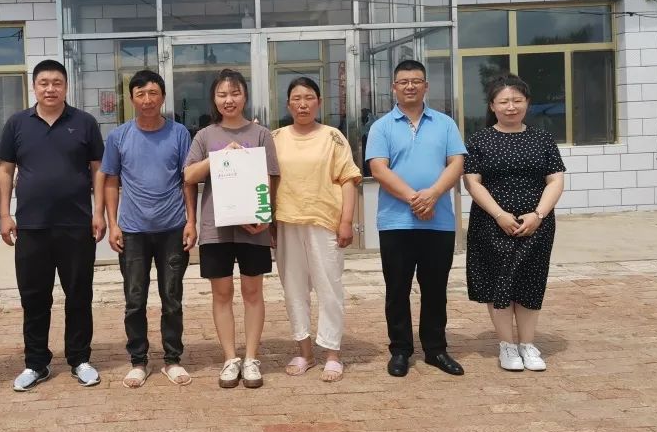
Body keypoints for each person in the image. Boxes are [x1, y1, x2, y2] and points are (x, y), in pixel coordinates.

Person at [0, 59, 106, 391]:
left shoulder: (84, 122)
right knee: (34, 298)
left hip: (76, 225)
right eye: (44, 83)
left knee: (79, 295)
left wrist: (98, 212)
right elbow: (5, 170)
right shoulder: (17, 123)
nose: (50, 89)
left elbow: (98, 169)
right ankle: (36, 363)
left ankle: (80, 359)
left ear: (66, 86)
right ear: (34, 87)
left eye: (57, 83)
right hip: (32, 227)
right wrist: (4, 214)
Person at [365, 60, 467, 378]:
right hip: (396, 222)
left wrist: (433, 194)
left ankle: (435, 349)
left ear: (426, 86)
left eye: (416, 81)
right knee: (397, 288)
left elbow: (456, 163)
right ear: (393, 88)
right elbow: (378, 169)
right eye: (403, 82)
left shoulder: (445, 124)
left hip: (439, 221)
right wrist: (416, 199)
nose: (410, 86)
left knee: (435, 288)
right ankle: (400, 350)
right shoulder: (381, 127)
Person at [99, 70, 198, 388]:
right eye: (140, 94)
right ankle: (138, 361)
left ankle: (172, 360)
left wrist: (191, 221)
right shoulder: (119, 137)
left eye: (153, 93)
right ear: (131, 99)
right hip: (132, 231)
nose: (147, 100)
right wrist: (113, 224)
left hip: (173, 228)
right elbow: (111, 181)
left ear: (163, 97)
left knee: (172, 298)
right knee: (134, 299)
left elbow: (187, 180)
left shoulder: (179, 133)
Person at [462, 74, 566, 372]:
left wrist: (538, 215)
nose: (511, 107)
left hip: (537, 225)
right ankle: (507, 345)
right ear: (492, 106)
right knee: (499, 283)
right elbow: (472, 182)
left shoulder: (542, 138)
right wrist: (499, 215)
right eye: (504, 101)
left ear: (527, 103)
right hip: (491, 223)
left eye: (517, 100)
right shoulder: (479, 140)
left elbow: (555, 180)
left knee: (531, 282)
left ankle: (528, 345)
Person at [184, 69, 279, 388]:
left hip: (254, 227)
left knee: (253, 292)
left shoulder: (261, 134)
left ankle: (251, 358)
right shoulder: (205, 136)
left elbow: (272, 179)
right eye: (222, 94)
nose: (229, 100)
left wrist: (266, 217)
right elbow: (189, 176)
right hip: (217, 229)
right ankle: (229, 358)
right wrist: (221, 157)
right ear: (214, 99)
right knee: (221, 293)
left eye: (235, 93)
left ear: (245, 96)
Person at [272, 77, 362, 383]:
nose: (303, 104)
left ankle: (332, 354)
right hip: (287, 222)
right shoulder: (275, 138)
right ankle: (305, 352)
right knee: (294, 289)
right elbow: (265, 179)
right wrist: (268, 221)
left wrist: (346, 221)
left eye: (309, 98)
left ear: (319, 102)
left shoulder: (332, 137)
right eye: (296, 99)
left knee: (329, 288)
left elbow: (348, 179)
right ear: (288, 105)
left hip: (324, 222)